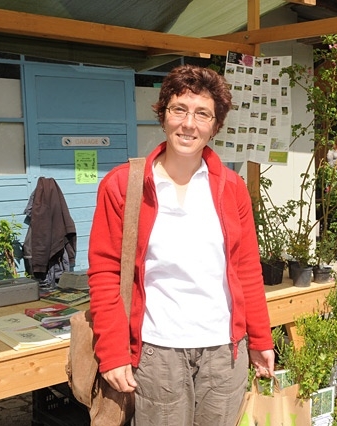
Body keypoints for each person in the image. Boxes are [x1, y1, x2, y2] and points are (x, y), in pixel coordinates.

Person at [87, 65, 275, 425]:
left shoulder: (232, 188)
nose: (189, 124)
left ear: (215, 126)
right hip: (158, 352)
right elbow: (105, 272)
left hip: (225, 352)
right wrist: (112, 352)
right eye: (179, 109)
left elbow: (247, 269)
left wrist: (260, 339)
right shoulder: (123, 185)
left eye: (202, 114)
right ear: (163, 115)